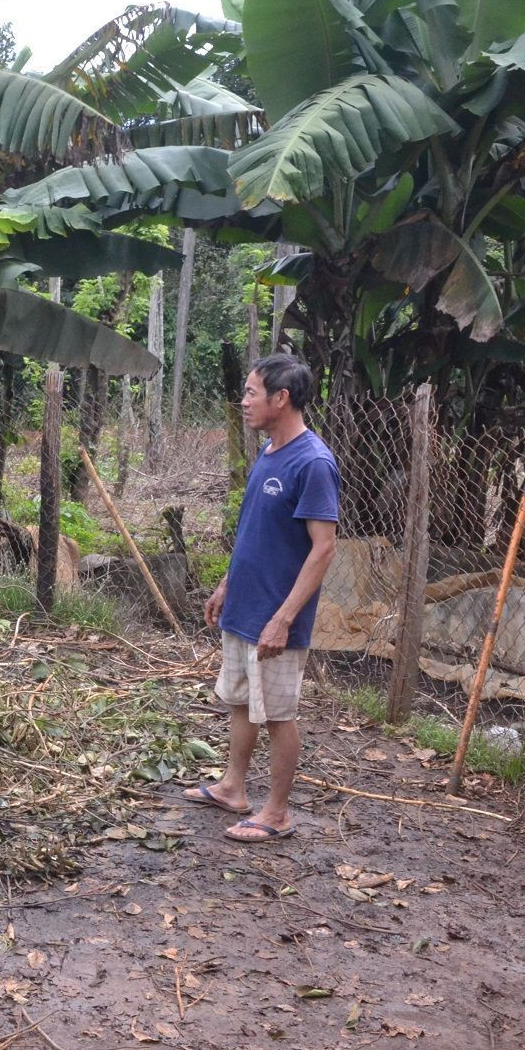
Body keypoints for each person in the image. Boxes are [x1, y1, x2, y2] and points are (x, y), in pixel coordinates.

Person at [183, 353, 339, 842]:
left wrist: (284, 618)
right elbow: (254, 532)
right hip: (245, 605)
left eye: (251, 393)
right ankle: (233, 788)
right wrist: (228, 585)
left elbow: (324, 547)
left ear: (281, 398)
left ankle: (276, 813)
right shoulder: (270, 452)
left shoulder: (313, 462)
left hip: (276, 615)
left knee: (276, 713)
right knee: (238, 700)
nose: (244, 401)